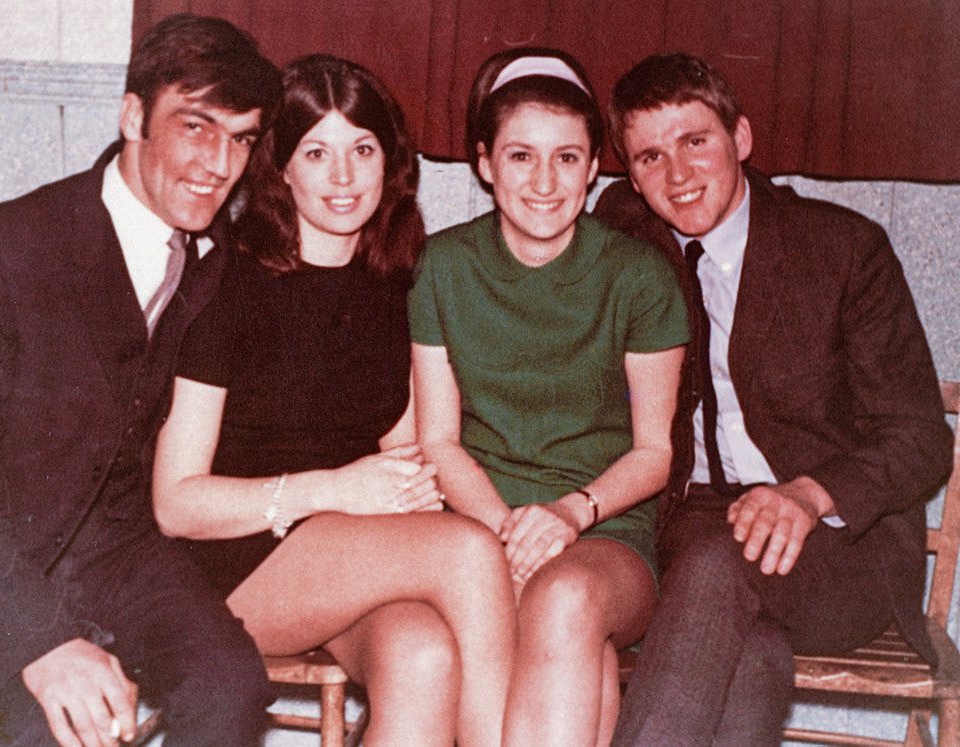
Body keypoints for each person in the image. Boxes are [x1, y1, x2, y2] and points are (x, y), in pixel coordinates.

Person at [0, 14, 282, 746]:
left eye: (240, 138)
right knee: (62, 726)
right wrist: (40, 645)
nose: (219, 162)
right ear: (133, 114)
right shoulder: (2, 253)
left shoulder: (212, 254)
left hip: (114, 549)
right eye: (196, 127)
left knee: (231, 686)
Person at [151, 54, 516, 747]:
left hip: (335, 556)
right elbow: (175, 503)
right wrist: (335, 489)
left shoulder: (388, 280)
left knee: (422, 652)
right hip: (227, 562)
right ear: (279, 166)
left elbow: (406, 455)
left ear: (391, 161)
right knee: (467, 556)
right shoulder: (225, 284)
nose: (343, 176)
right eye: (316, 151)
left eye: (362, 148)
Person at [591, 52, 954, 744]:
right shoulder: (622, 235)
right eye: (648, 157)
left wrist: (810, 493)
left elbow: (918, 436)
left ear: (741, 139)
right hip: (687, 529)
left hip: (837, 546)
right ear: (630, 176)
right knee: (751, 656)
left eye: (695, 142)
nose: (677, 175)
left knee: (715, 568)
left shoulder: (841, 249)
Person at [409, 48, 690, 745]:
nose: (543, 182)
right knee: (575, 651)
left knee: (563, 596)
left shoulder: (638, 276)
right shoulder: (441, 267)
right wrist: (506, 534)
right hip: (475, 529)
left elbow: (654, 453)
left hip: (602, 530)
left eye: (566, 158)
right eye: (519, 157)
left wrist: (568, 514)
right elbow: (436, 439)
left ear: (594, 166)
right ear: (483, 162)